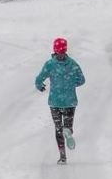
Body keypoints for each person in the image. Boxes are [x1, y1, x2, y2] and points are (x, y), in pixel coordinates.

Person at [35, 37, 85, 165]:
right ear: (66, 49)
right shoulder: (73, 64)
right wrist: (70, 84)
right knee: (67, 126)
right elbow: (81, 80)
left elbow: (39, 78)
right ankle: (68, 131)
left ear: (55, 50)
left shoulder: (50, 64)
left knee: (58, 128)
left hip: (55, 102)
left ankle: (63, 157)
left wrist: (40, 86)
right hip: (70, 101)